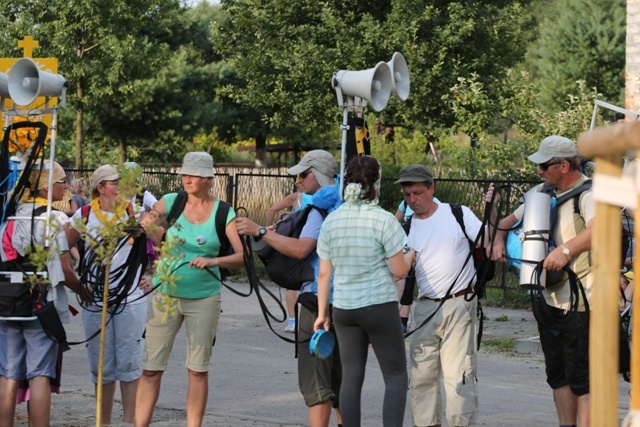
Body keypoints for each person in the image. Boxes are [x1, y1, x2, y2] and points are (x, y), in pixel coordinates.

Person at [487, 135, 594, 427]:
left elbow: (599, 230)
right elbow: (507, 222)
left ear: (563, 165)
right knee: (557, 374)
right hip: (547, 297)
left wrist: (565, 250)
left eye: (544, 166)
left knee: (582, 377)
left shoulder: (588, 194)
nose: (539, 171)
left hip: (583, 300)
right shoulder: (540, 192)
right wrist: (496, 232)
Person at [134, 152, 245, 427]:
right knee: (150, 368)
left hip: (204, 297)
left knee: (198, 370)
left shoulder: (223, 211)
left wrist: (213, 260)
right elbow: (146, 229)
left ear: (208, 178)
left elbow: (242, 257)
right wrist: (147, 230)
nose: (187, 179)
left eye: (193, 175)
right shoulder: (170, 202)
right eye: (184, 174)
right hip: (166, 295)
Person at [236, 150, 343, 427]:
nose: (298, 180)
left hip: (316, 301)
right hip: (349, 301)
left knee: (316, 380)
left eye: (303, 174)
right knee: (342, 378)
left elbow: (301, 249)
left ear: (318, 175)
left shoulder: (318, 210)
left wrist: (261, 232)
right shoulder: (347, 207)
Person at [314, 155, 414, 427]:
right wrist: (412, 255)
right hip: (379, 306)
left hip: (344, 309)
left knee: (351, 376)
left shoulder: (332, 221)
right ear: (376, 186)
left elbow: (324, 273)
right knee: (395, 376)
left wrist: (323, 314)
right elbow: (399, 270)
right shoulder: (384, 221)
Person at [396, 164, 493, 427]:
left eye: (417, 193)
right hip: (426, 306)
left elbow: (489, 243)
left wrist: (492, 210)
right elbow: (401, 274)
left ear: (432, 188)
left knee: (458, 375)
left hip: (460, 303)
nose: (412, 200)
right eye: (407, 195)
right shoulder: (406, 228)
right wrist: (398, 311)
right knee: (421, 376)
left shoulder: (457, 213)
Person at [0, 160, 85, 427]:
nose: (66, 186)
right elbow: (64, 268)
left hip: (8, 302)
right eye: (61, 181)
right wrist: (82, 289)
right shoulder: (55, 218)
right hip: (40, 305)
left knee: (8, 373)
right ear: (46, 185)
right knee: (39, 373)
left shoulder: (9, 217)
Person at [66, 164, 149, 427]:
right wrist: (78, 285)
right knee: (101, 367)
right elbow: (58, 249)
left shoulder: (135, 213)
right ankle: (102, 423)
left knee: (129, 365)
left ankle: (129, 423)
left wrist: (156, 276)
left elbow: (168, 243)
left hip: (130, 300)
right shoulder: (85, 214)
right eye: (116, 182)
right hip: (95, 301)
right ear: (100, 187)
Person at [265, 185, 312, 333]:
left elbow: (272, 209)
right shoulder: (325, 196)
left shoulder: (298, 196)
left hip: (293, 238)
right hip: (312, 239)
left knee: (291, 282)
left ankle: (292, 321)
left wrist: (267, 230)